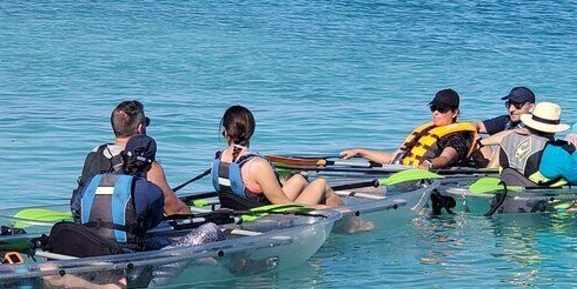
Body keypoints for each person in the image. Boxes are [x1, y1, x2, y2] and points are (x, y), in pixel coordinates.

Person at [71, 100, 190, 220]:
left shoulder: (96, 154)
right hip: (129, 233)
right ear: (140, 127)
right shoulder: (146, 164)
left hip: (89, 227)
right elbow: (175, 209)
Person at [213, 105, 344, 208]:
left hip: (240, 209)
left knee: (298, 179)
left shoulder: (218, 160)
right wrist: (318, 209)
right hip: (265, 218)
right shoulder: (257, 165)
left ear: (225, 132)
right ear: (251, 132)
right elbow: (284, 206)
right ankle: (354, 225)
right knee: (321, 184)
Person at [340, 88, 479, 169]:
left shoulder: (457, 137)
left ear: (454, 113)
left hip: (427, 182)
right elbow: (392, 158)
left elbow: (446, 158)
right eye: (433, 108)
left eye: (441, 109)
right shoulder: (426, 131)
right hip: (403, 173)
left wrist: (428, 164)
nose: (435, 112)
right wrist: (359, 151)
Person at [78, 135, 165, 251]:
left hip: (88, 245)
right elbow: (155, 222)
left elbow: (77, 211)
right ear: (151, 165)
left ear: (123, 156)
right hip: (123, 252)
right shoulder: (153, 191)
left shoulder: (92, 181)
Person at [495, 102, 577, 186]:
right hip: (540, 200)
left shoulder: (507, 140)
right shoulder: (556, 153)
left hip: (508, 194)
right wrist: (573, 151)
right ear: (554, 129)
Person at [473, 86, 536, 167]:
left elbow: (511, 135)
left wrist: (480, 143)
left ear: (531, 107)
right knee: (471, 136)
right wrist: (473, 135)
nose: (511, 109)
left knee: (504, 144)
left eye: (517, 105)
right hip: (504, 164)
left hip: (523, 167)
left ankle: (489, 173)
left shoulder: (536, 125)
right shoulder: (506, 120)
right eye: (509, 104)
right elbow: (478, 125)